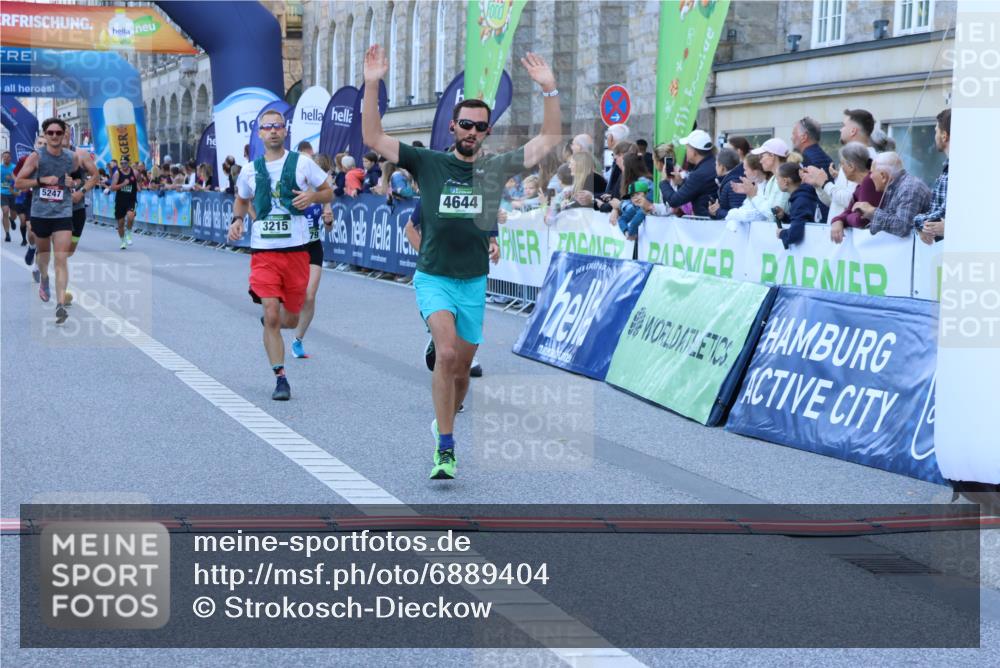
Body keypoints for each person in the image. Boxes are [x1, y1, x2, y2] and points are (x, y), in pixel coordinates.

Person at [362, 44, 560, 480]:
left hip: (473, 282)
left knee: (462, 372)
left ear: (487, 132)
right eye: (465, 124)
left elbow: (546, 142)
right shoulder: (428, 162)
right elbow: (373, 139)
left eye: (479, 127)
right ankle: (445, 448)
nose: (471, 131)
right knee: (447, 353)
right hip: (433, 277)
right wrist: (372, 83)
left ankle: (448, 409)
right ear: (453, 126)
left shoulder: (494, 169)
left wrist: (549, 91)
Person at [228, 109, 334, 400]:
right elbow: (241, 198)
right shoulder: (250, 170)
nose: (273, 131)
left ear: (285, 131)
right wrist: (237, 221)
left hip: (296, 253)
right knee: (272, 314)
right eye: (267, 127)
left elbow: (328, 192)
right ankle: (281, 378)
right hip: (264, 253)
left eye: (278, 126)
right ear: (260, 133)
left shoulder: (302, 163)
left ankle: (274, 324)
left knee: (290, 319)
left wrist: (313, 196)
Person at [13, 118, 84, 324]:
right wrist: (40, 181)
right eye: (50, 133)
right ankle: (44, 278)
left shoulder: (72, 158)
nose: (54, 136)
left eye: (58, 133)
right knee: (44, 259)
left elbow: (79, 179)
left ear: (63, 135)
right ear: (44, 135)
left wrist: (74, 182)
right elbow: (18, 182)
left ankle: (60, 304)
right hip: (41, 214)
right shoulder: (36, 157)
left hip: (63, 213)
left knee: (61, 259)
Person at [291, 153, 333, 360]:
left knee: (309, 295)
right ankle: (277, 316)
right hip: (293, 247)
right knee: (290, 292)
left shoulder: (323, 195)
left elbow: (329, 227)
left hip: (314, 247)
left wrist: (328, 221)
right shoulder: (297, 189)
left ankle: (298, 339)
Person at [801, 108, 876, 222]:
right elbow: (834, 201)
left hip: (851, 235)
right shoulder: (849, 158)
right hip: (838, 234)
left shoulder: (870, 161)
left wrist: (825, 183)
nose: (840, 129)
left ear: (853, 131)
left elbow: (854, 201)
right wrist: (818, 184)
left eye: (843, 125)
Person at [853, 151, 931, 238]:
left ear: (883, 176)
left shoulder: (909, 188)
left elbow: (902, 227)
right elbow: (889, 221)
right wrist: (870, 215)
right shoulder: (894, 187)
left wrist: (873, 212)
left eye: (872, 173)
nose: (870, 176)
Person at [730, 138, 791, 223]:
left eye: (762, 156)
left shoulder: (784, 179)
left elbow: (773, 214)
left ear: (772, 156)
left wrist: (753, 195)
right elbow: (767, 210)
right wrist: (751, 194)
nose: (761, 161)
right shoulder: (773, 179)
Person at [828, 142, 878, 243]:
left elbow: (861, 220)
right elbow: (849, 211)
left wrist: (845, 219)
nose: (841, 168)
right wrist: (838, 220)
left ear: (851, 166)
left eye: (842, 164)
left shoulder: (869, 181)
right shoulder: (861, 185)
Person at [660, 129, 718, 217]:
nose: (686, 151)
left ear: (694, 152)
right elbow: (698, 190)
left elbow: (674, 201)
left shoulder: (699, 174)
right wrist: (681, 183)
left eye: (687, 147)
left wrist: (664, 181)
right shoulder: (713, 163)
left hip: (706, 223)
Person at [914, 108, 950, 245]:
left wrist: (918, 221)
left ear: (944, 135)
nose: (934, 136)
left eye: (936, 131)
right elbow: (937, 214)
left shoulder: (956, 169)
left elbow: (942, 213)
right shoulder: (948, 166)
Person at [773, 162, 818, 249]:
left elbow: (795, 234)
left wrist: (782, 233)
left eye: (777, 179)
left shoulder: (800, 201)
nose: (777, 182)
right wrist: (784, 217)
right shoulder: (802, 197)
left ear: (785, 181)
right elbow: (801, 221)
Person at [109, 156, 139, 249]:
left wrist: (138, 186)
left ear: (128, 163)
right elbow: (112, 188)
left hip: (131, 200)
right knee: (120, 223)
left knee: (130, 216)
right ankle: (123, 241)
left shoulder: (135, 172)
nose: (123, 165)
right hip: (120, 201)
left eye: (125, 163)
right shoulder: (117, 174)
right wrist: (123, 184)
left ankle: (129, 233)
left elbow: (139, 181)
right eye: (121, 163)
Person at [708, 147, 746, 220]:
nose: (715, 167)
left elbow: (738, 215)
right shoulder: (731, 181)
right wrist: (715, 212)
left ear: (722, 167)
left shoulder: (733, 184)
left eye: (716, 164)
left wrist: (718, 211)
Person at [1, 151, 15, 242]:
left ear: (10, 158)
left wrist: (12, 178)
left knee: (14, 214)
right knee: (5, 211)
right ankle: (7, 234)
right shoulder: (0, 168)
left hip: (13, 193)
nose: (6, 158)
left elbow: (19, 179)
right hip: (2, 193)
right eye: (4, 157)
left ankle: (12, 219)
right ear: (2, 158)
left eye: (7, 157)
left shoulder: (14, 167)